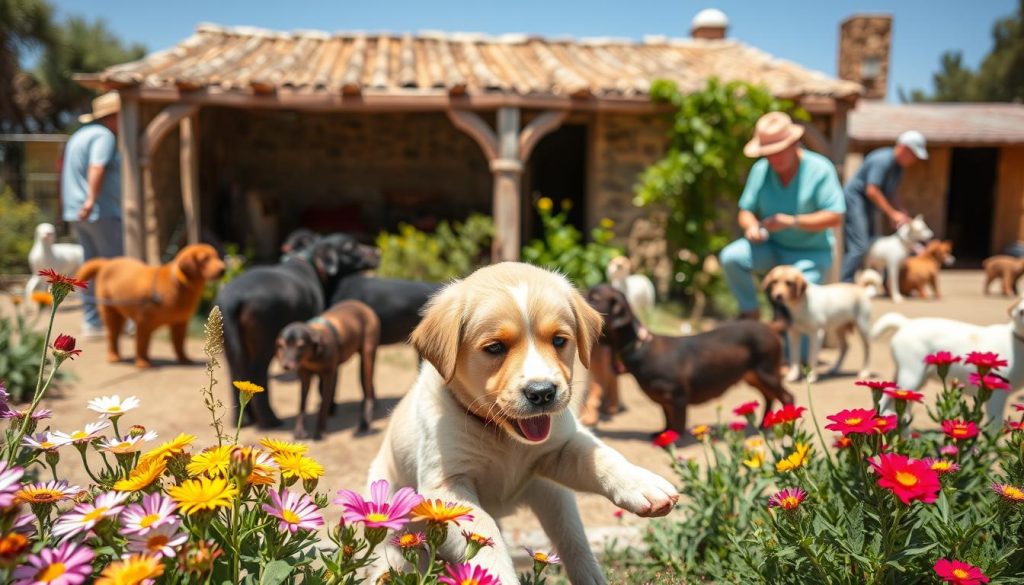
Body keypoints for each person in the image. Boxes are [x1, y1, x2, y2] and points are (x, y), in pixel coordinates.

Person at [720, 111, 845, 320]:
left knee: (797, 331)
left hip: (809, 254)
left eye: (778, 151)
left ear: (794, 143)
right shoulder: (761, 170)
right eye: (768, 152)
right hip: (772, 247)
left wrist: (791, 222)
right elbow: (746, 210)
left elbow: (835, 216)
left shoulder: (820, 169)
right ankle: (750, 313)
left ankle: (789, 331)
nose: (773, 158)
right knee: (732, 258)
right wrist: (751, 227)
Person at [61, 92, 123, 339]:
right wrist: (90, 200)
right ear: (115, 116)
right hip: (99, 212)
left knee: (89, 268)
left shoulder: (78, 136)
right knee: (114, 269)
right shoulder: (104, 136)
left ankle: (92, 322)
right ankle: (120, 320)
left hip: (77, 212)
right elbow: (96, 167)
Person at [839, 130, 928, 282]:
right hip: (856, 200)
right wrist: (891, 213)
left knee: (872, 243)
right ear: (903, 148)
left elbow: (892, 192)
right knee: (859, 245)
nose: (914, 159)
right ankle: (845, 283)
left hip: (869, 204)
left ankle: (875, 282)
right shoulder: (883, 160)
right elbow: (872, 190)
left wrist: (901, 212)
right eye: (913, 154)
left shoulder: (898, 168)